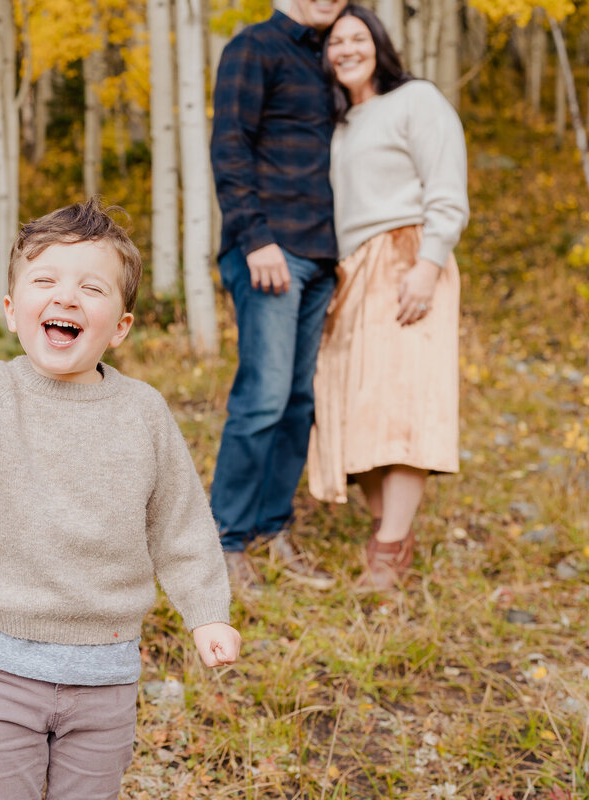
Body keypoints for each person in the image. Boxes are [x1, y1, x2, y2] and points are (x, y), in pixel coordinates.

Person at [0, 198, 242, 799]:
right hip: (2, 670)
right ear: (12, 310)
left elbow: (179, 525)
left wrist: (207, 611)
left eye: (92, 287)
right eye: (45, 280)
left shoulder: (143, 414)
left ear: (122, 326)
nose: (66, 298)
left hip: (107, 676)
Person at [306, 5, 469, 592]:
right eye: (334, 42)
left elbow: (447, 189)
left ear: (378, 43)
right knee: (358, 408)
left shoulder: (417, 100)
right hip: (352, 273)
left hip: (408, 254)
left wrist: (427, 264)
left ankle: (388, 551)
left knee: (403, 404)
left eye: (357, 37)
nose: (346, 49)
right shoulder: (339, 124)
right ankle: (388, 534)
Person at [209, 0, 345, 591]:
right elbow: (230, 147)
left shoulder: (334, 56)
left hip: (321, 256)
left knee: (297, 402)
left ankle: (271, 528)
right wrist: (255, 237)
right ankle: (223, 540)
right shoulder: (253, 48)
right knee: (262, 398)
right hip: (270, 251)